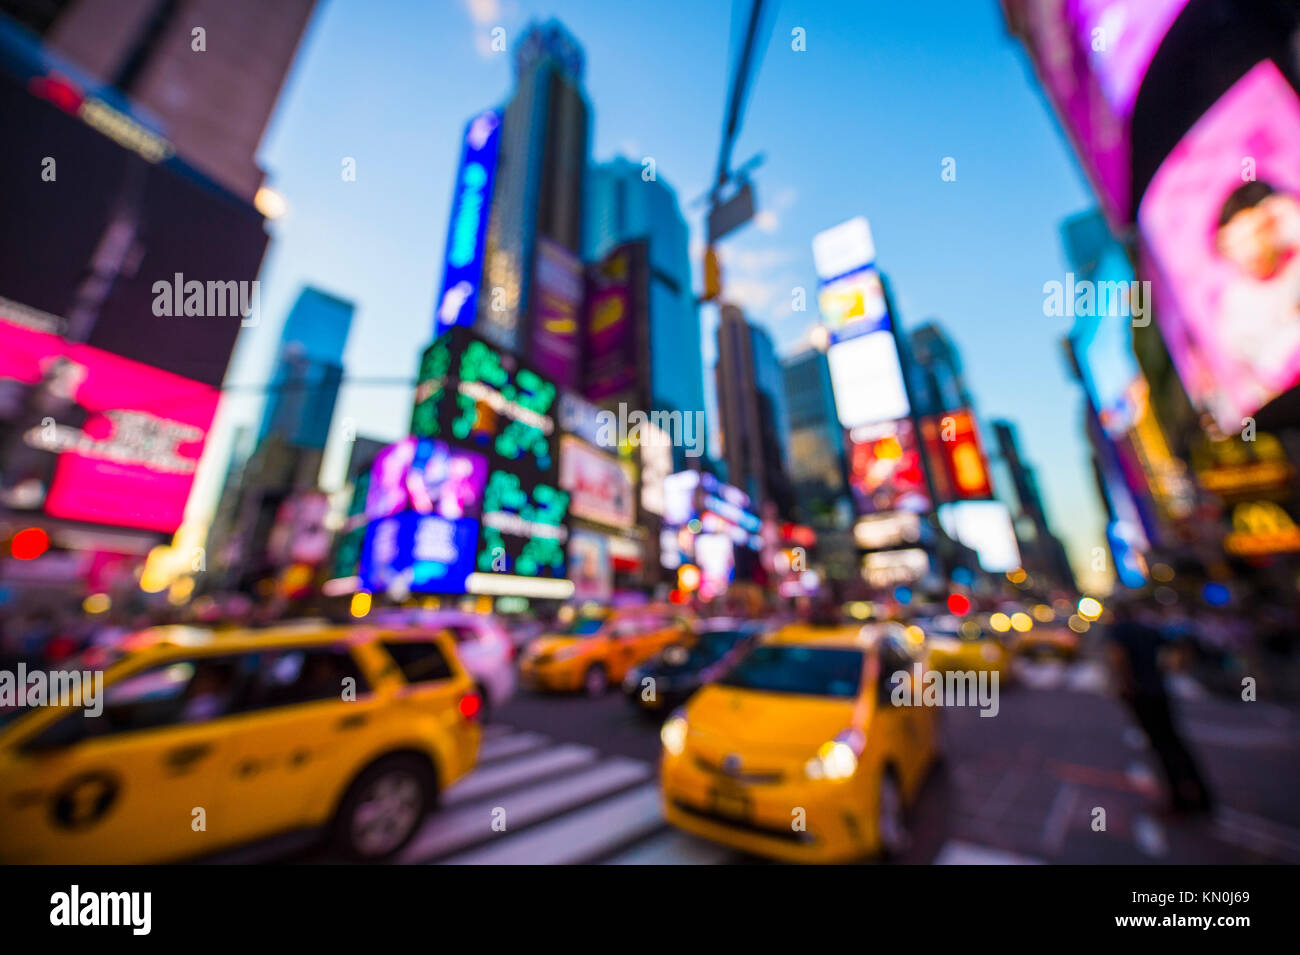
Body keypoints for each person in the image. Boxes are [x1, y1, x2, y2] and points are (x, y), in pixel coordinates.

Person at [1105, 598, 1212, 814]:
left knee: (1161, 747)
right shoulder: (1148, 629)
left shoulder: (1119, 630)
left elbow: (1118, 657)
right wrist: (1163, 671)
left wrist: (1124, 684)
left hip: (1141, 694)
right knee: (1174, 743)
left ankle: (1179, 801)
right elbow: (1178, 650)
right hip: (1158, 691)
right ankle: (1202, 797)